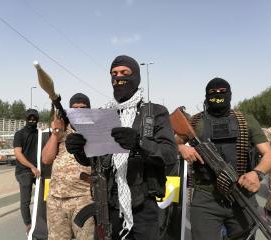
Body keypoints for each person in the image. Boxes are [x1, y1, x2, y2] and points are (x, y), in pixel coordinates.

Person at [65, 55, 177, 240]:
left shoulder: (154, 112)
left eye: (125, 73)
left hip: (144, 206)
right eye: (114, 74)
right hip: (109, 204)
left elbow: (170, 154)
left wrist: (139, 143)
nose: (119, 77)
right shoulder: (103, 114)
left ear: (137, 76)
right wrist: (78, 149)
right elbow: (93, 159)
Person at [177, 77, 271, 240]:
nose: (217, 95)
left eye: (222, 92)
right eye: (212, 93)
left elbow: (269, 155)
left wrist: (256, 174)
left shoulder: (244, 120)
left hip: (242, 195)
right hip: (205, 197)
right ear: (206, 96)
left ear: (229, 94)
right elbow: (171, 144)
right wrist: (181, 148)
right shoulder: (195, 121)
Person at [42, 93, 95, 240]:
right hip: (56, 200)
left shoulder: (95, 132)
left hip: (83, 199)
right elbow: (46, 159)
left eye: (83, 108)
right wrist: (55, 133)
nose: (78, 111)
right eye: (75, 108)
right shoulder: (62, 130)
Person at [13, 108, 41, 235]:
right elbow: (18, 154)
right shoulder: (19, 134)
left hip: (38, 170)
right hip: (24, 171)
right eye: (29, 118)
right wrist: (32, 167)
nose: (32, 120)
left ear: (37, 119)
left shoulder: (40, 134)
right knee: (25, 201)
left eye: (34, 118)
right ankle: (28, 225)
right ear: (26, 119)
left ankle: (43, 219)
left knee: (46, 195)